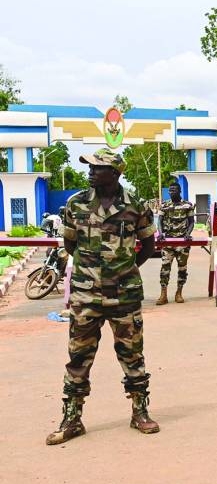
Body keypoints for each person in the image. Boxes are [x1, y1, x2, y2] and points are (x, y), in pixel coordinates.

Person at [45, 149, 159, 445]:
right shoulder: (76, 203)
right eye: (90, 167)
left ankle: (140, 412)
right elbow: (71, 245)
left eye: (98, 167)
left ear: (115, 172)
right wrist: (93, 272)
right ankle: (72, 419)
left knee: (132, 354)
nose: (91, 172)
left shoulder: (135, 205)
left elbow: (148, 244)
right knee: (78, 357)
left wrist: (124, 270)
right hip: (86, 295)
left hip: (125, 295)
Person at [156, 181, 195, 305]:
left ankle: (179, 293)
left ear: (179, 191)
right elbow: (160, 221)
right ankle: (163, 294)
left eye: (174, 190)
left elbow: (191, 222)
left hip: (182, 242)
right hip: (167, 242)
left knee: (182, 268)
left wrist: (188, 233)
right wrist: (160, 233)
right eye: (170, 190)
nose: (172, 192)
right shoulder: (164, 205)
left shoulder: (188, 205)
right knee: (165, 268)